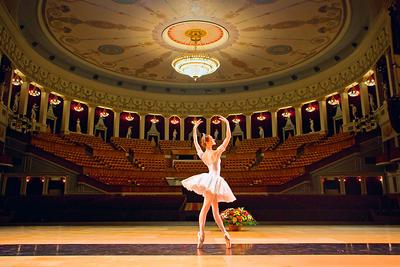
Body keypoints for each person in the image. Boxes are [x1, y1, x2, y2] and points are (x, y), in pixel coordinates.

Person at [181, 115, 236, 249]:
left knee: (212, 210)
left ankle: (213, 234)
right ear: (208, 142)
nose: (214, 139)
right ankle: (206, 234)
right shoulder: (216, 152)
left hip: (211, 181)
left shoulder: (202, 154)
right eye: (212, 138)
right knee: (208, 209)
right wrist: (227, 123)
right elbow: (228, 138)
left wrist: (194, 129)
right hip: (214, 181)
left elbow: (195, 143)